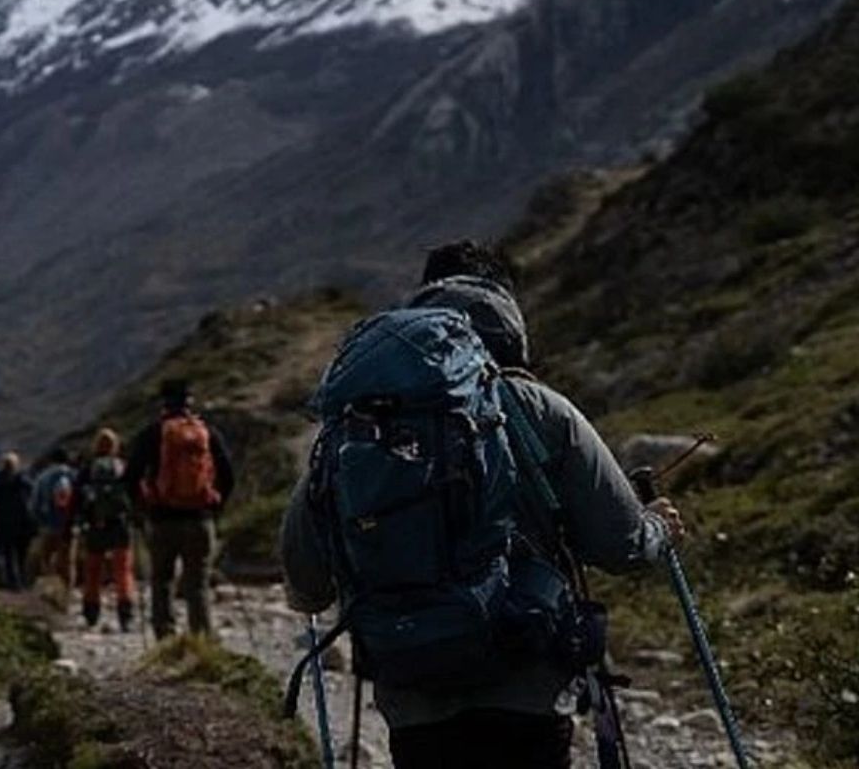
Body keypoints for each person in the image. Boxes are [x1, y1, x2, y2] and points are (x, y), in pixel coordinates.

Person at [281, 241, 687, 769]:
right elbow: (621, 544)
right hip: (525, 691)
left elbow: (306, 582)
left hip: (414, 700)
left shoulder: (360, 426)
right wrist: (656, 527)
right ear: (508, 314)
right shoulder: (537, 408)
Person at [124, 379, 235, 639]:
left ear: (163, 402)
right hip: (200, 519)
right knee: (197, 584)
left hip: (162, 520)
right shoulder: (206, 433)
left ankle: (166, 639)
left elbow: (131, 477)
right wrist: (216, 504)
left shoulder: (154, 432)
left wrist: (142, 507)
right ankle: (202, 639)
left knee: (161, 582)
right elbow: (228, 475)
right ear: (189, 401)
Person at [76, 429, 137, 631]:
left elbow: (78, 498)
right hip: (120, 524)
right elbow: (134, 495)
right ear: (115, 446)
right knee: (123, 571)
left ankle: (91, 613)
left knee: (93, 570)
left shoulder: (88, 469)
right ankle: (125, 614)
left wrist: (78, 522)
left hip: (96, 524)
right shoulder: (122, 468)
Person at [0, 451, 37, 590]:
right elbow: (33, 494)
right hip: (21, 523)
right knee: (21, 555)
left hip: (3, 524)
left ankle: (10, 582)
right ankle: (24, 582)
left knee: (7, 554)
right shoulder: (23, 480)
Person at [31, 447, 79, 593]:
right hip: (69, 526)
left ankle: (49, 591)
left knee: (45, 559)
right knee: (67, 562)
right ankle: (67, 592)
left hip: (48, 526)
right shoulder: (74, 476)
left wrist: (40, 521)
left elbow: (34, 504)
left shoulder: (43, 477)